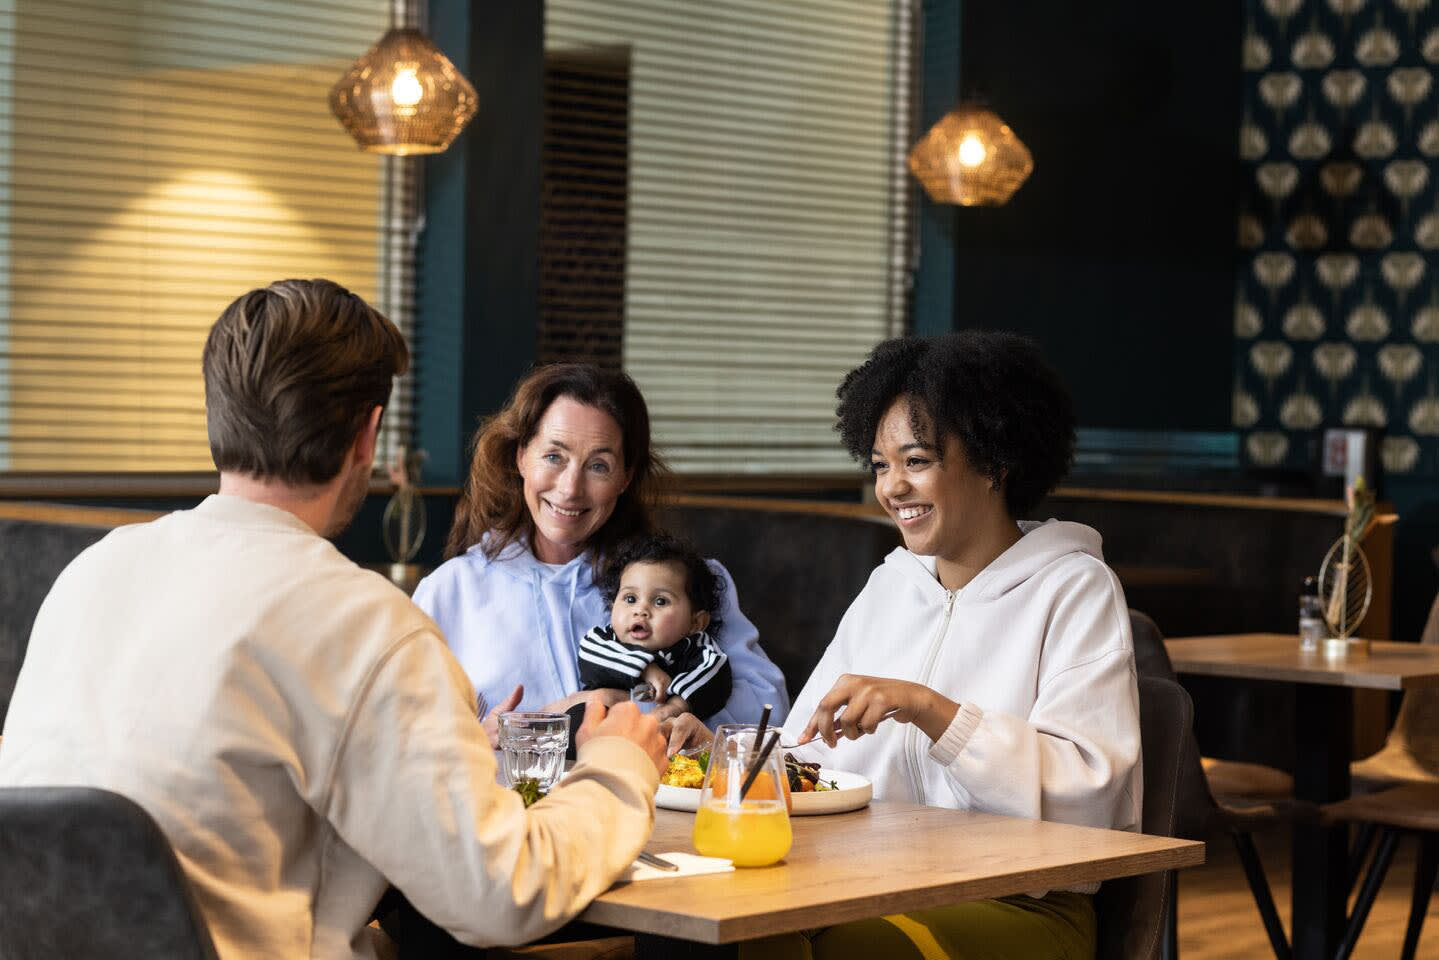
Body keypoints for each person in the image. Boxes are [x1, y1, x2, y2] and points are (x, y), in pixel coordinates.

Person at [0, 279, 668, 960]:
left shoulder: (92, 572)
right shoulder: (365, 624)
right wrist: (618, 763)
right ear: (367, 436)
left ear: (216, 415)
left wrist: (440, 752)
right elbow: (500, 894)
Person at [760, 331, 1141, 960]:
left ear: (995, 461)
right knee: (747, 940)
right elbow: (805, 755)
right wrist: (723, 758)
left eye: (916, 461)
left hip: (1021, 906)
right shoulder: (890, 586)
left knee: (854, 951)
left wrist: (932, 711)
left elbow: (1090, 794)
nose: (892, 488)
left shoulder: (1076, 588)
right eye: (881, 465)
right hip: (871, 882)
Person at [413, 363, 788, 749]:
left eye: (598, 466)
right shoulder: (449, 591)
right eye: (554, 457)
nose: (570, 489)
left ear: (626, 477)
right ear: (522, 456)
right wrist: (475, 737)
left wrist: (636, 709)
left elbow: (768, 707)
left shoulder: (689, 582)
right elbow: (401, 737)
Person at [579, 533, 733, 721]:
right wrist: (645, 669)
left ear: (696, 623)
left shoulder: (695, 651)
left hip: (661, 737)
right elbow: (589, 655)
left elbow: (716, 677)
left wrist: (675, 707)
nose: (641, 610)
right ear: (612, 608)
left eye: (660, 601)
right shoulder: (606, 641)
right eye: (630, 599)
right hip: (597, 733)